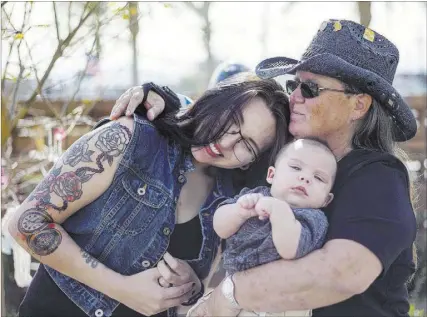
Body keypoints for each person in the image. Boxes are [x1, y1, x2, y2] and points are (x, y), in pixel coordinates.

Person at [110, 19, 418, 316]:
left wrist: (229, 295)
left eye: (310, 89)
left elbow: (343, 272)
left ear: (359, 106)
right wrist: (166, 100)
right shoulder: (283, 157)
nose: (294, 96)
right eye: (294, 84)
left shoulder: (378, 177)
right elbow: (226, 118)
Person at [8, 78, 290, 317]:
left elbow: (199, 285)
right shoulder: (129, 139)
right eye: (232, 120)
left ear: (249, 162)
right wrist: (122, 288)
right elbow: (25, 223)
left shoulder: (229, 200)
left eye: (247, 145)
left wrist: (189, 285)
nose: (226, 142)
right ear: (216, 102)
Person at [191, 138, 337, 317]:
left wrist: (280, 211)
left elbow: (291, 250)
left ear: (326, 200)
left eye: (318, 178)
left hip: (280, 304)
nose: (305, 178)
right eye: (296, 168)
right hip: (235, 284)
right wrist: (238, 212)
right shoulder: (255, 196)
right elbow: (220, 227)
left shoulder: (313, 218)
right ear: (271, 175)